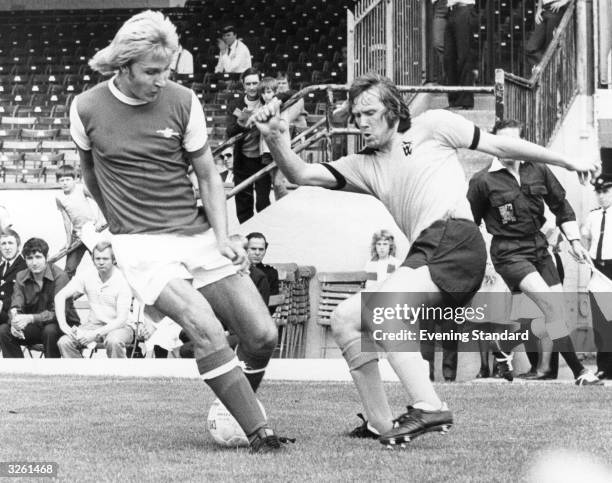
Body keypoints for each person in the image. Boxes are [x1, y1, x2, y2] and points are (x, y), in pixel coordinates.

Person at [251, 73, 599, 446]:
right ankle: (381, 424)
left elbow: (501, 147)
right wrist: (275, 139)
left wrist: (567, 159)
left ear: (394, 109)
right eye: (355, 116)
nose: (361, 123)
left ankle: (429, 404)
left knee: (383, 311)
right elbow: (299, 172)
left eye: (369, 112)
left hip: (454, 238)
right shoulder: (362, 166)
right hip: (429, 250)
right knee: (346, 319)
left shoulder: (432, 125)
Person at [69, 10, 288, 452]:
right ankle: (260, 433)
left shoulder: (184, 100)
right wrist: (116, 220)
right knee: (203, 325)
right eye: (151, 71)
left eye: (166, 69)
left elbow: (208, 175)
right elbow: (89, 171)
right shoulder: (86, 107)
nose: (160, 79)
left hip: (196, 233)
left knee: (262, 335)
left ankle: (232, 408)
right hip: (140, 243)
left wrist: (224, 235)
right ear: (124, 65)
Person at [467, 119, 601, 385]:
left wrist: (574, 241)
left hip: (539, 247)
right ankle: (580, 372)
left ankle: (504, 346)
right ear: (494, 144)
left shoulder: (537, 169)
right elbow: (469, 223)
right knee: (550, 308)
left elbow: (560, 205)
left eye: (516, 141)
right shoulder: (482, 181)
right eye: (504, 141)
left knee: (543, 313)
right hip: (508, 252)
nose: (510, 147)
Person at [0, 237, 79, 358]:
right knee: (4, 330)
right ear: (25, 259)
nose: (34, 262)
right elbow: (16, 303)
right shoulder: (21, 276)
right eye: (29, 258)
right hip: (35, 326)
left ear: (46, 258)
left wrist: (31, 318)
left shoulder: (60, 276)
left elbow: (58, 313)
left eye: (38, 257)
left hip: (62, 325)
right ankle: (20, 372)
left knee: (50, 330)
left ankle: (51, 372)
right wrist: (15, 322)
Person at [55, 241, 135, 358]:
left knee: (114, 341)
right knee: (64, 342)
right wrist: (64, 326)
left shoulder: (123, 280)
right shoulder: (87, 275)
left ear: (113, 260)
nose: (101, 262)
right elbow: (60, 296)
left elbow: (122, 320)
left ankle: (118, 374)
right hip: (93, 325)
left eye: (105, 259)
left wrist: (94, 335)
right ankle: (80, 375)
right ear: (93, 260)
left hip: (120, 327)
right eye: (97, 259)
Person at [582, 149, 612, 380]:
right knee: (602, 325)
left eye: (606, 191)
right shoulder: (592, 216)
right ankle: (604, 367)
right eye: (599, 192)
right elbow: (585, 241)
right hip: (597, 270)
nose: (602, 196)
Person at [227, 68, 270, 222]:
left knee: (263, 202)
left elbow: (288, 94)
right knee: (243, 202)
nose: (252, 87)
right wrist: (244, 123)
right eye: (248, 84)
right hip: (243, 158)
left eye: (255, 83)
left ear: (260, 83)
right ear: (243, 85)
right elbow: (230, 130)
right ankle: (246, 235)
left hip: (262, 159)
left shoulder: (267, 100)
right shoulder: (235, 105)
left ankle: (263, 235)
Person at [55, 164, 104, 278]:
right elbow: (66, 220)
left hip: (92, 232)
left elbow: (99, 199)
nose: (65, 183)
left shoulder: (81, 189)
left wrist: (100, 220)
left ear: (75, 179)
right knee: (69, 269)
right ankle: (64, 294)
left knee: (103, 263)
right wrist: (68, 241)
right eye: (61, 180)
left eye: (68, 179)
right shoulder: (59, 197)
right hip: (77, 235)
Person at [444, 0, 477, 109]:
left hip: (464, 8)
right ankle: (454, 100)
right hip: (452, 10)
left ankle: (465, 101)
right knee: (449, 58)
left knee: (464, 56)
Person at [526, 0, 572, 70]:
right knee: (531, 48)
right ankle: (543, 68)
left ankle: (549, 70)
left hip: (556, 8)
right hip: (544, 10)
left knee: (550, 47)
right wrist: (538, 9)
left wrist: (563, 2)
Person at [246, 232, 279, 314]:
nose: (257, 253)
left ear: (265, 251)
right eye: (253, 249)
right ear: (245, 249)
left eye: (261, 249)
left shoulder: (270, 273)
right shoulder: (236, 270)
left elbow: (271, 304)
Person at [0, 229, 27, 329]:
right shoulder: (1, 267)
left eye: (10, 243)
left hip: (14, 315)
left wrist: (2, 303)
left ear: (18, 246)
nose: (7, 247)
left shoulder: (25, 267)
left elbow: (25, 296)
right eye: (3, 244)